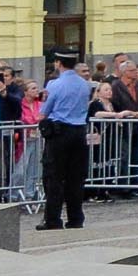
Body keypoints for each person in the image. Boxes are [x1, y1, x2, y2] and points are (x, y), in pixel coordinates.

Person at [34, 52, 92, 230]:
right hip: (79, 132)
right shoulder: (85, 84)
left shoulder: (55, 84)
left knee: (54, 177)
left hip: (60, 133)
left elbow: (43, 113)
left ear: (58, 63)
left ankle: (53, 219)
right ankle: (75, 218)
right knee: (76, 178)